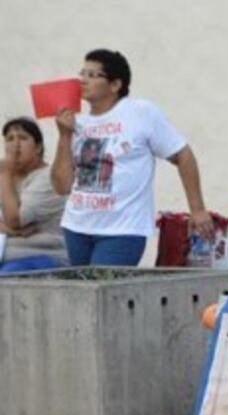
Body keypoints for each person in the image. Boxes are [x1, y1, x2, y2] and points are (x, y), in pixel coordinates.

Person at [51, 49, 213, 266]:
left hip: (123, 229)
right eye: (82, 74)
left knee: (106, 290)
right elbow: (62, 186)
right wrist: (64, 135)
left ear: (115, 85)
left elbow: (182, 154)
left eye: (92, 75)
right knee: (84, 295)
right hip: (76, 226)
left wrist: (198, 209)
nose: (83, 81)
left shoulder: (140, 113)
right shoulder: (75, 120)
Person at [0, 117, 68, 272]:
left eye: (23, 138)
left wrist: (4, 174)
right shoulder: (7, 176)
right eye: (9, 139)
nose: (15, 146)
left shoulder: (48, 178)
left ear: (38, 147)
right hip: (8, 253)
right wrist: (11, 231)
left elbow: (15, 220)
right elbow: (14, 227)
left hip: (44, 256)